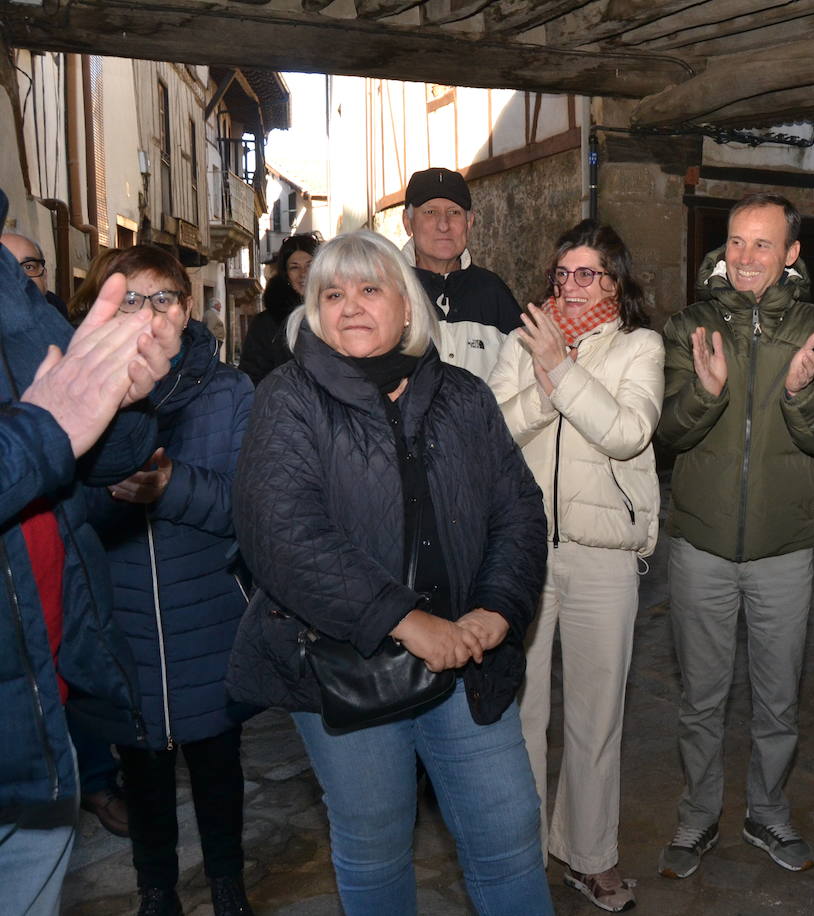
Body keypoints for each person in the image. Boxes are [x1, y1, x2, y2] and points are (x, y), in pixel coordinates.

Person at [226, 229, 552, 916]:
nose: (350, 306)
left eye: (370, 288)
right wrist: (406, 621)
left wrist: (498, 608)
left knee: (509, 836)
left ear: (408, 306)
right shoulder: (289, 399)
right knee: (374, 851)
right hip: (346, 670)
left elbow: (517, 511)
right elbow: (282, 537)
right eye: (331, 293)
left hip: (466, 663)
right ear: (311, 310)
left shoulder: (462, 395)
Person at [657, 193, 814, 878]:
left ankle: (768, 814)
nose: (745, 257)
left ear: (791, 253)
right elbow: (669, 434)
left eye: (763, 244)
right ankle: (697, 815)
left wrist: (802, 393)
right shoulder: (690, 326)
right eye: (737, 242)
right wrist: (705, 391)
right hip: (701, 545)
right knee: (701, 699)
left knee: (777, 701)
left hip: (784, 549)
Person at [0, 188, 177, 916]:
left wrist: (127, 400)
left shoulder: (11, 291)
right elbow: (49, 434)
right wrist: (51, 430)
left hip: (37, 692)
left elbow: (91, 454)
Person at [488, 219, 663, 913]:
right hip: (523, 551)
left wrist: (560, 369)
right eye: (562, 274)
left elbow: (627, 432)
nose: (570, 285)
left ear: (614, 280)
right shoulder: (523, 339)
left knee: (597, 717)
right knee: (520, 715)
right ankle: (522, 855)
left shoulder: (640, 345)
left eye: (586, 273)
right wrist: (547, 372)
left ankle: (591, 859)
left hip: (603, 554)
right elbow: (495, 429)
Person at [80, 246, 257, 916]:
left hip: (207, 611)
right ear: (103, 311)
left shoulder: (231, 392)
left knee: (218, 766)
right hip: (119, 617)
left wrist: (171, 486)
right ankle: (155, 891)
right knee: (143, 773)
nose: (149, 314)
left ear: (188, 309)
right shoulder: (80, 391)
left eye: (163, 299)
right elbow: (72, 513)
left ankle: (227, 883)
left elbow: (248, 506)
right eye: (131, 298)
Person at [401, 167, 521, 380]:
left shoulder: (493, 293)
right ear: (408, 222)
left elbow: (525, 375)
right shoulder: (389, 291)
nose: (444, 225)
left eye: (454, 212)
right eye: (430, 212)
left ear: (470, 221)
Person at [239, 233, 320, 385]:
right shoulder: (265, 325)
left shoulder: (338, 314)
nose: (303, 274)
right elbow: (252, 378)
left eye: (310, 265)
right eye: (294, 267)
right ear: (286, 275)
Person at [2, 231, 68, 318]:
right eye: (4, 268)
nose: (18, 277)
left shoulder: (59, 316)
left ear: (44, 277)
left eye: (28, 267)